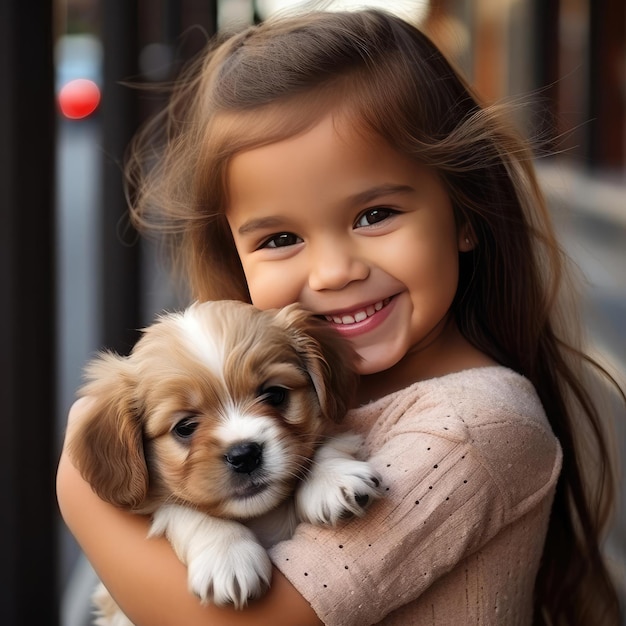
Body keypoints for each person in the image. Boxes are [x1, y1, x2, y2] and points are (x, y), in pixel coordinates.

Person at [57, 8, 623, 625]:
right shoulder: (314, 383)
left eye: (374, 214)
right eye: (278, 238)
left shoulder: (472, 429)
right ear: (236, 256)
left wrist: (78, 490)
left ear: (466, 212)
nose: (333, 272)